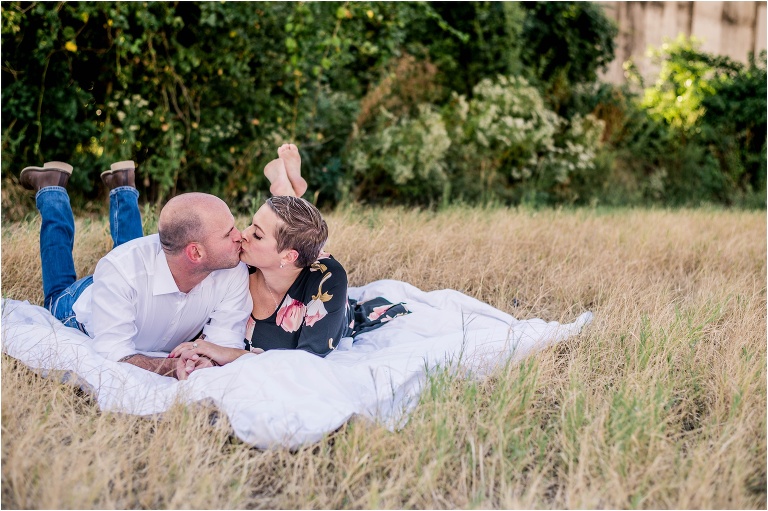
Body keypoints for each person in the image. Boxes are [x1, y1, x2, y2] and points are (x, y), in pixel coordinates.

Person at [170, 145, 408, 376]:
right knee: (294, 232)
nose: (243, 234)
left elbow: (305, 362)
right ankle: (285, 193)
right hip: (288, 257)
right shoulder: (238, 264)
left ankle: (286, 191)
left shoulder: (328, 280)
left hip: (315, 281)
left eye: (257, 234)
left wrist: (224, 353)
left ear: (287, 256)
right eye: (251, 224)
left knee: (306, 240)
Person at [19, 159, 251, 379]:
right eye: (228, 231)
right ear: (196, 253)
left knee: (133, 263)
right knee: (57, 293)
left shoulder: (231, 268)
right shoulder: (122, 271)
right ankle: (51, 191)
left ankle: (124, 187)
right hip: (81, 309)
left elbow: (224, 343)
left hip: (130, 283)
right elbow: (115, 354)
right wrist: (172, 367)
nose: (240, 235)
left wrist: (206, 361)